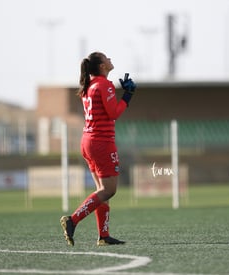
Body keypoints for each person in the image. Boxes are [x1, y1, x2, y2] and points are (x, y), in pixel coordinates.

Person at [60, 52, 136, 246]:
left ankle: (103, 235)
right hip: (101, 142)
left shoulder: (89, 86)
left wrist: (122, 93)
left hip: (88, 141)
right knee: (109, 190)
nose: (110, 59)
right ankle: (73, 220)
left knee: (101, 190)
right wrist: (127, 95)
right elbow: (114, 113)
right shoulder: (103, 84)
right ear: (102, 66)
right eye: (106, 57)